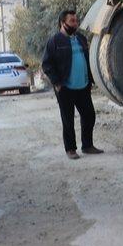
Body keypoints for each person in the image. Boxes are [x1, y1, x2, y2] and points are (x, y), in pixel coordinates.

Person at [41, 9, 101, 160]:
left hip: (83, 85)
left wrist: (92, 79)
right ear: (63, 23)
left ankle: (87, 145)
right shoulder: (54, 41)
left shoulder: (80, 38)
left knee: (89, 115)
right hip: (65, 88)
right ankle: (71, 149)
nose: (76, 23)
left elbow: (88, 59)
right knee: (68, 120)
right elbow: (47, 64)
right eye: (72, 21)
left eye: (76, 20)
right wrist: (57, 82)